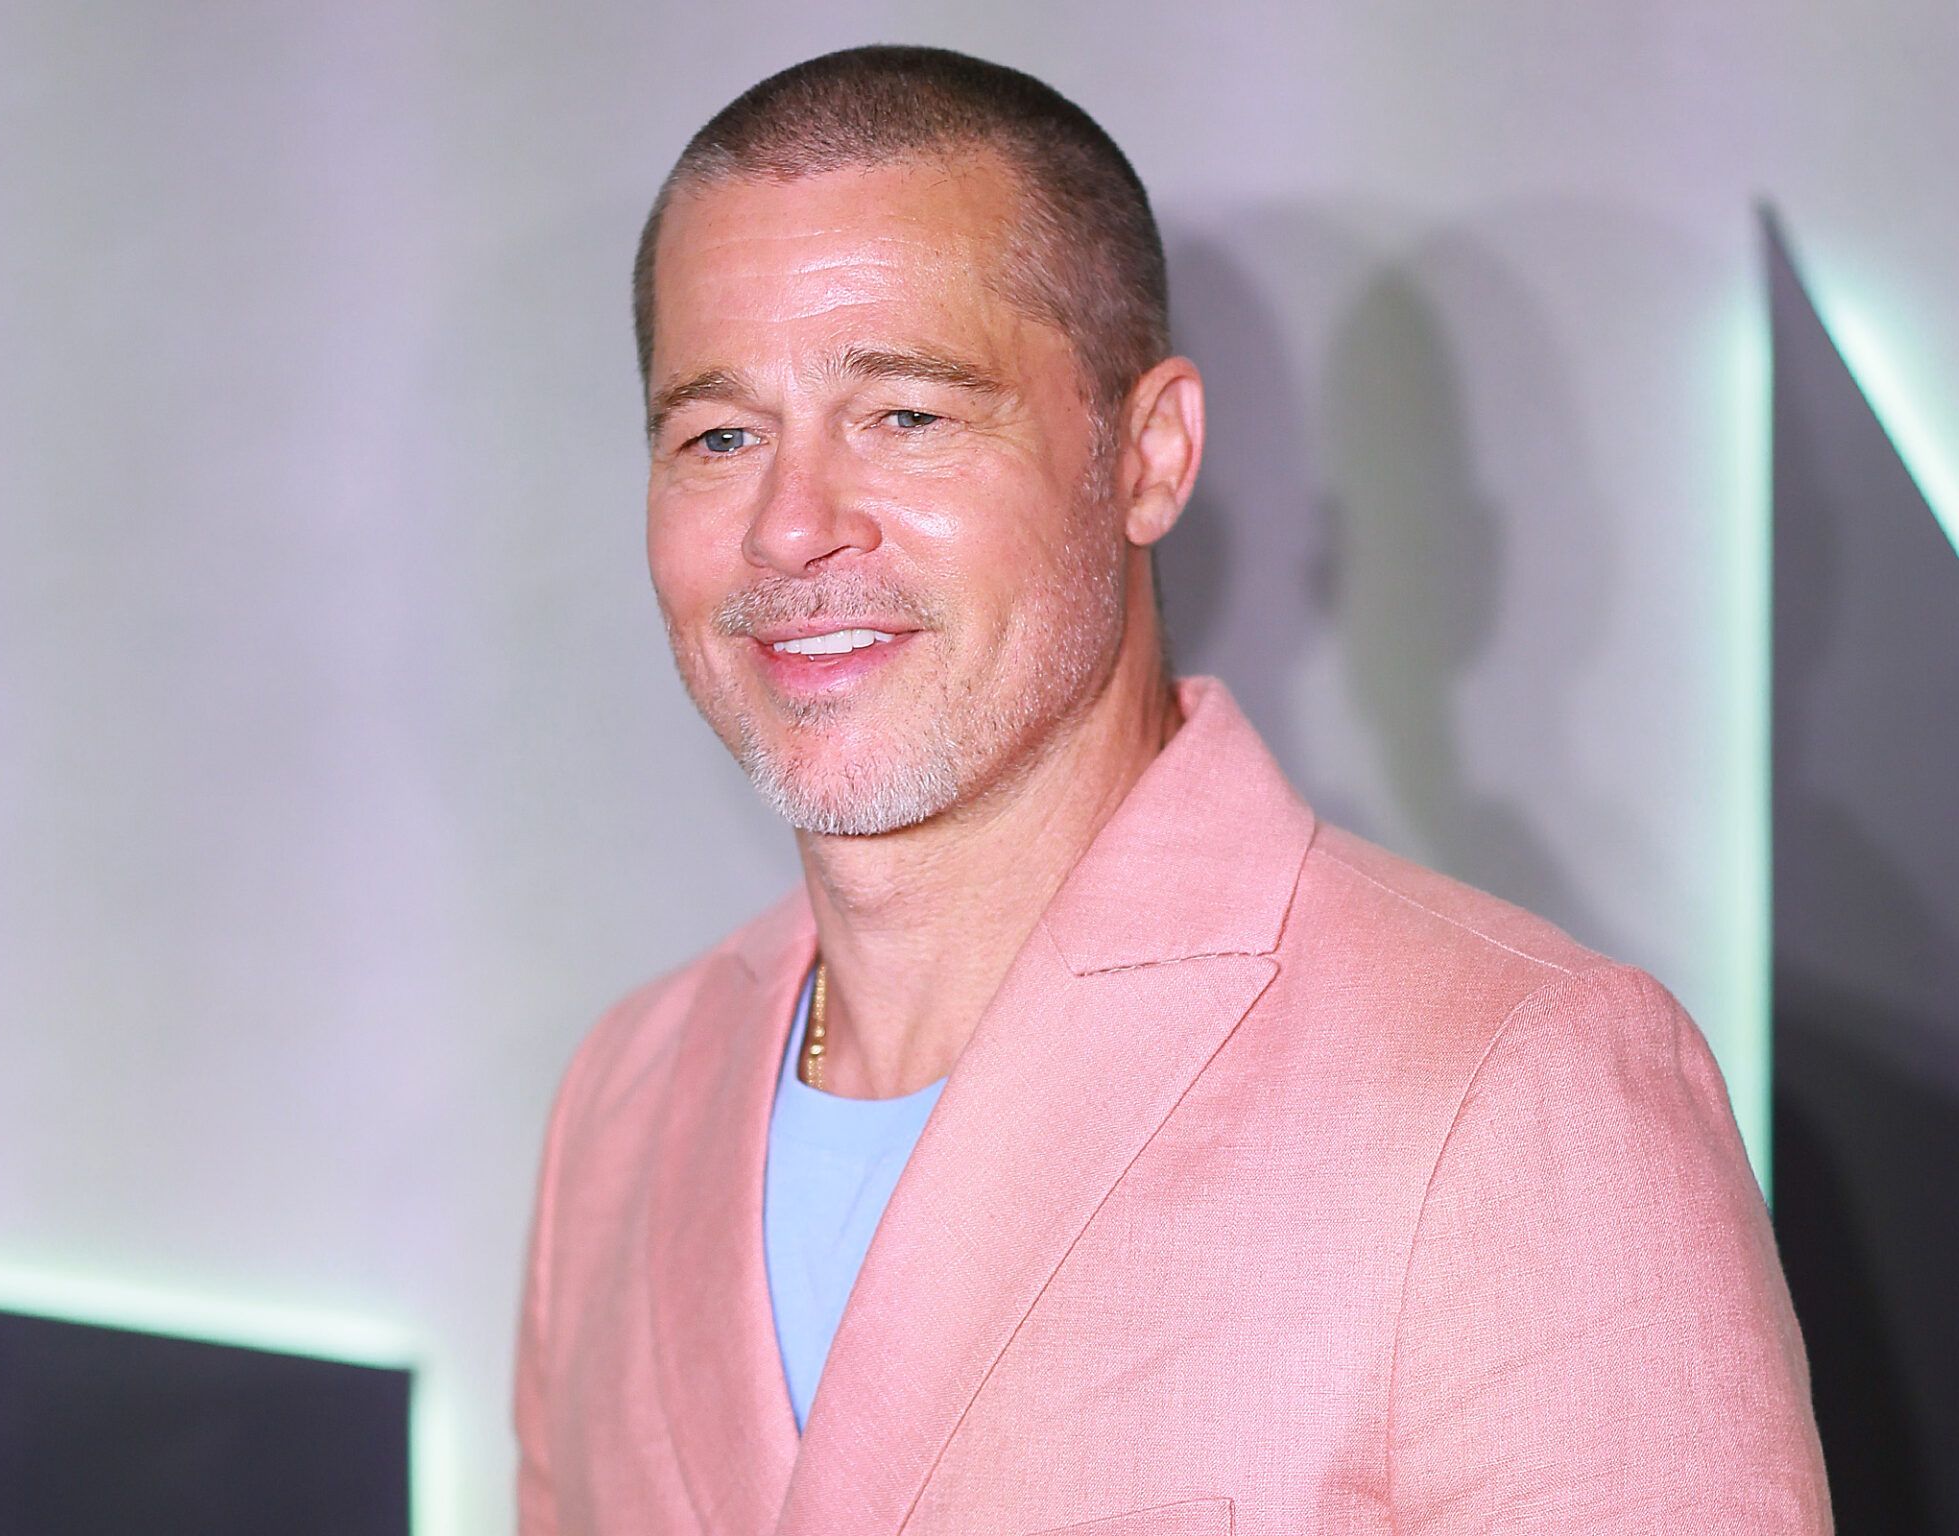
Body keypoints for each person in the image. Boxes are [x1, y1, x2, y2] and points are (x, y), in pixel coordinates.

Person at [514, 43, 1830, 1536]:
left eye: (909, 416)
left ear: (1148, 453)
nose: (791, 528)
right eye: (719, 436)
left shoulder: (1516, 1086)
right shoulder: (622, 1106)